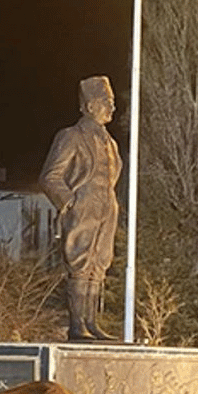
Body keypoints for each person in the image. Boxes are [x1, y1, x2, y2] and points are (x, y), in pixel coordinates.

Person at [40, 75, 121, 341]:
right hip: (84, 203)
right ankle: (77, 326)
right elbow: (50, 176)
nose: (112, 108)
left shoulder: (111, 143)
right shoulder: (71, 136)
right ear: (89, 106)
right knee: (80, 263)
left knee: (99, 264)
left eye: (112, 102)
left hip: (107, 205)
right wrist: (70, 201)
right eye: (106, 102)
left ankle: (91, 323)